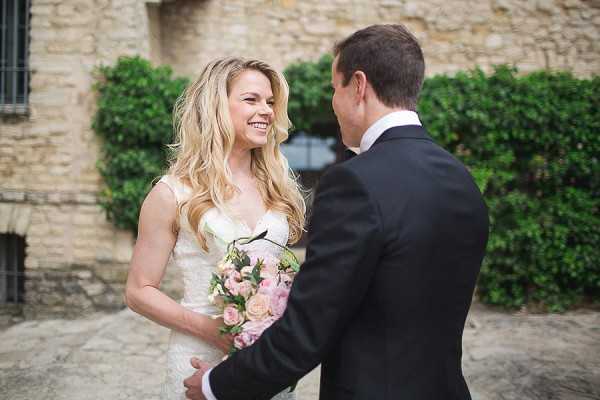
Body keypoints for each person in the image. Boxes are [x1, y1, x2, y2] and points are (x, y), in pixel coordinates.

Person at [184, 24, 489, 400]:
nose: (333, 101)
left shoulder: (355, 183)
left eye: (334, 87)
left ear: (358, 86)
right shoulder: (461, 179)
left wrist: (218, 385)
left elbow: (308, 329)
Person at [124, 57, 306, 400]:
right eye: (251, 100)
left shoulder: (277, 184)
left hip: (266, 361)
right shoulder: (171, 193)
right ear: (216, 107)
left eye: (270, 102)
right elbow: (138, 290)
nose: (266, 111)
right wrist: (213, 331)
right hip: (199, 355)